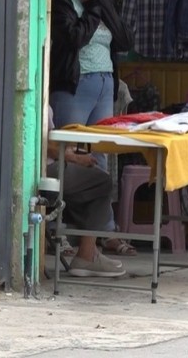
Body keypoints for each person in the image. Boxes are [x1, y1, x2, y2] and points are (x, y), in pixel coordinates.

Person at [50, 0, 135, 255]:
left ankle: (103, 233)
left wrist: (101, 5)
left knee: (100, 160)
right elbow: (74, 39)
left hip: (104, 84)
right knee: (66, 157)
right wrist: (91, 9)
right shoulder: (63, 1)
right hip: (75, 86)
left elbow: (124, 40)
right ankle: (57, 232)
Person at [46, 109, 126, 278]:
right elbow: (42, 144)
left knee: (89, 182)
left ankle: (90, 252)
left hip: (49, 164)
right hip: (45, 168)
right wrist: (73, 158)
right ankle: (87, 254)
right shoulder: (36, 99)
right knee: (101, 181)